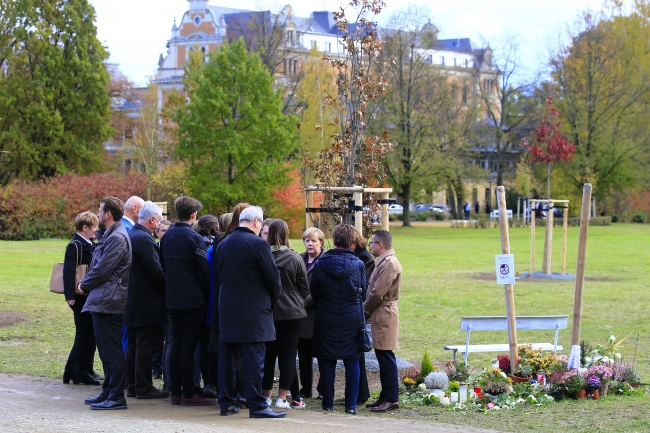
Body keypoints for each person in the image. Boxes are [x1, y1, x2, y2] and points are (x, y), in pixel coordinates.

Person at [215, 206, 286, 418]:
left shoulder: (224, 243)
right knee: (255, 359)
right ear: (256, 222)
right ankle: (257, 404)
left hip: (227, 307)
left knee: (227, 358)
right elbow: (273, 280)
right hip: (254, 309)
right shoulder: (258, 244)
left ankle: (226, 402)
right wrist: (270, 301)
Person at [79, 197, 132, 410]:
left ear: (108, 214)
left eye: (100, 212)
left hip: (108, 300)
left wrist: (84, 284)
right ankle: (109, 391)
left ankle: (117, 396)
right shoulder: (111, 235)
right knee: (105, 351)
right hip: (103, 298)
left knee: (112, 351)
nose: (98, 215)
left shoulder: (118, 237)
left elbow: (102, 268)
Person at [159, 196, 212, 406]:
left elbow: (162, 264)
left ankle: (175, 390)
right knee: (188, 346)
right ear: (193, 215)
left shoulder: (167, 236)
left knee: (176, 344)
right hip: (192, 300)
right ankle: (189, 393)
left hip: (172, 298)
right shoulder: (193, 237)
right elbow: (202, 270)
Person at [310, 224, 366, 415]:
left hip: (327, 316)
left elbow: (314, 293)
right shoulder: (358, 265)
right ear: (352, 242)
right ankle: (351, 405)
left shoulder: (321, 264)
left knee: (327, 359)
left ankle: (328, 402)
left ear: (333, 240)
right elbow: (363, 292)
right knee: (352, 360)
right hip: (352, 317)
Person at [262, 219, 309, 409]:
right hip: (293, 312)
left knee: (268, 356)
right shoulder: (295, 258)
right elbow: (304, 288)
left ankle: (266, 396)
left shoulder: (263, 256)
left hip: (269, 311)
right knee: (288, 357)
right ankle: (282, 398)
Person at [124, 201, 169, 400]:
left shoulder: (132, 234)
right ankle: (143, 386)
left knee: (135, 344)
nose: (158, 224)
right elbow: (155, 271)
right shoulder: (143, 238)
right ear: (152, 219)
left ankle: (133, 384)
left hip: (133, 298)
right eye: (158, 221)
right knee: (144, 345)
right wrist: (169, 288)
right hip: (146, 301)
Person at [364, 230, 403, 413]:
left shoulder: (388, 264)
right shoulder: (383, 262)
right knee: (382, 356)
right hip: (381, 312)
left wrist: (364, 310)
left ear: (380, 245)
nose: (369, 245)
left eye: (372, 243)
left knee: (386, 356)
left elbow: (377, 292)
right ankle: (386, 394)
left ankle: (391, 398)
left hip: (384, 313)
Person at [62, 211, 100, 386]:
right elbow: (69, 272)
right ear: (85, 228)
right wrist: (70, 296)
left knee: (89, 333)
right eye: (94, 227)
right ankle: (78, 372)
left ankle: (81, 369)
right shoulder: (75, 245)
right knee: (83, 334)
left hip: (87, 295)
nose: (96, 230)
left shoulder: (89, 243)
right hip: (79, 297)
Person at [297, 227, 326, 399]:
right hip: (301, 316)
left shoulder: (325, 260)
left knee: (322, 355)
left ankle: (323, 389)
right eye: (307, 240)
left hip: (319, 315)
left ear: (321, 243)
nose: (310, 244)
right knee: (304, 355)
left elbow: (321, 291)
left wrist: (301, 303)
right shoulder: (299, 258)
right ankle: (306, 388)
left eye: (314, 240)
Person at [349, 229, 372, 404]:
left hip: (356, 309)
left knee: (358, 355)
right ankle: (359, 393)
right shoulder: (360, 255)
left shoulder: (362, 258)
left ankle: (360, 394)